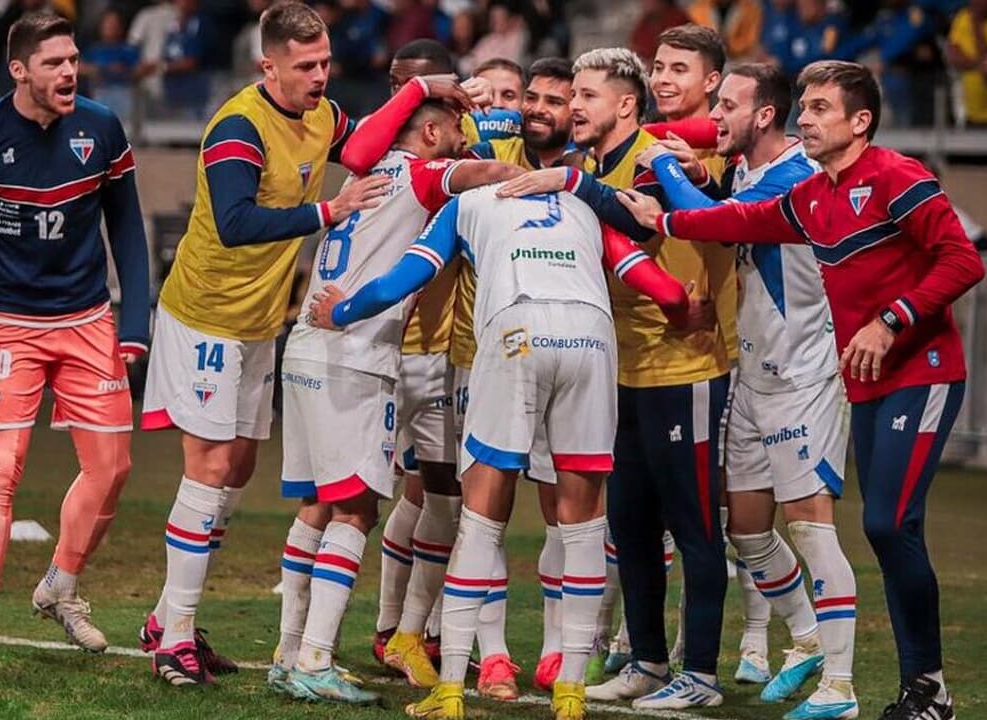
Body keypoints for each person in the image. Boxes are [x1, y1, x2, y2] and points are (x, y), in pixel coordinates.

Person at [616, 59, 986, 720]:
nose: (805, 120)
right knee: (887, 530)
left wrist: (890, 320)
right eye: (804, 108)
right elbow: (735, 223)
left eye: (819, 109)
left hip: (921, 368)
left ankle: (896, 687)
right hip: (863, 377)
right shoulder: (812, 198)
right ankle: (918, 693)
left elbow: (963, 258)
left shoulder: (898, 176)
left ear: (860, 121)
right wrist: (664, 220)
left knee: (885, 522)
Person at [135, 0, 441, 686]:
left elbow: (364, 148)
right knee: (209, 468)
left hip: (259, 324)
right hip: (205, 317)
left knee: (238, 471)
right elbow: (239, 223)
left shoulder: (324, 115)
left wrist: (419, 90)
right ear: (266, 65)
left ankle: (165, 617)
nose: (321, 75)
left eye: (326, 61)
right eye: (305, 66)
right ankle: (174, 639)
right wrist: (328, 211)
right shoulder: (238, 128)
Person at [310, 185, 693, 720]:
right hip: (591, 337)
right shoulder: (582, 207)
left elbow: (406, 278)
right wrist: (684, 310)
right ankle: (571, 693)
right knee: (582, 521)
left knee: (483, 514)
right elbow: (664, 290)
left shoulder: (467, 203)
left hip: (517, 331)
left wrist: (343, 310)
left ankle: (449, 694)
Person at [0, 11, 151, 676]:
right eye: (53, 62)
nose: (69, 71)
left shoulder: (101, 128)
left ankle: (60, 586)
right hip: (8, 322)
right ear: (20, 70)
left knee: (114, 469)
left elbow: (127, 228)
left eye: (72, 59)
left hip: (87, 318)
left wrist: (136, 324)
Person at [272, 94, 524, 705]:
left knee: (318, 503)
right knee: (356, 511)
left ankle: (287, 652)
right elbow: (488, 174)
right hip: (355, 357)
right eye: (457, 131)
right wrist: (538, 176)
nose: (464, 141)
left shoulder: (365, 171)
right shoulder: (421, 171)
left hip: (306, 344)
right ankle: (315, 658)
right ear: (430, 131)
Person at [638, 61, 860, 720]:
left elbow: (724, 223)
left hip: (803, 377)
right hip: (754, 374)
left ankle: (841, 688)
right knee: (748, 529)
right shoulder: (747, 169)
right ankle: (809, 638)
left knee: (812, 529)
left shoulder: (799, 175)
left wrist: (669, 172)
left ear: (764, 114)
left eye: (727, 105)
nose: (715, 120)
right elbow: (727, 194)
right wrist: (701, 170)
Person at [560, 36, 740, 710]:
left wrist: (573, 186)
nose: (577, 107)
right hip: (623, 367)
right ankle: (648, 661)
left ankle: (703, 674)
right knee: (630, 523)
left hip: (684, 363)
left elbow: (634, 234)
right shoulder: (591, 160)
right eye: (574, 95)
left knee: (694, 524)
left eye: (588, 96)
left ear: (625, 105)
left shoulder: (659, 162)